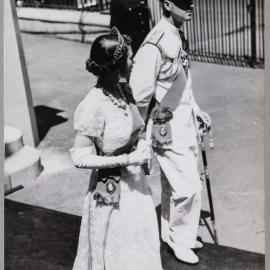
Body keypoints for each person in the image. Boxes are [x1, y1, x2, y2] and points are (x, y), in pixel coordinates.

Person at [70, 27, 163, 270]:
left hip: (137, 187)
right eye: (130, 58)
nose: (134, 62)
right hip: (110, 189)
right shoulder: (92, 105)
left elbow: (136, 128)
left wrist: (142, 144)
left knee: (141, 247)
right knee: (117, 254)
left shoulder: (124, 91)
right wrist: (127, 159)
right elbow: (79, 158)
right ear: (116, 64)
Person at [129, 0, 211, 264]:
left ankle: (169, 233)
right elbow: (140, 94)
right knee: (189, 188)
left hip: (184, 123)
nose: (192, 6)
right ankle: (180, 240)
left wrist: (196, 109)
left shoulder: (176, 32)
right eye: (184, 2)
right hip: (167, 127)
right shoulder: (155, 43)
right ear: (166, 4)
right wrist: (138, 135)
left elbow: (183, 82)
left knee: (172, 184)